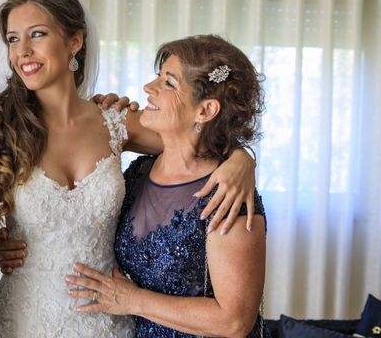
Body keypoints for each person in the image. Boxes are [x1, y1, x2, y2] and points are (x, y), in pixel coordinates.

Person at [0, 0, 257, 338]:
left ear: (74, 42)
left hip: (106, 320)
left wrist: (243, 159)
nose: (23, 51)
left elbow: (198, 137)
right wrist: (3, 246)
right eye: (13, 39)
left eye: (38, 34)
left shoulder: (116, 123)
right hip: (24, 318)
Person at [66, 35, 269, 337]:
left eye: (169, 83)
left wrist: (131, 300)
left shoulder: (228, 194)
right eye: (159, 78)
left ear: (205, 111)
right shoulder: (138, 173)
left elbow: (234, 321)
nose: (149, 88)